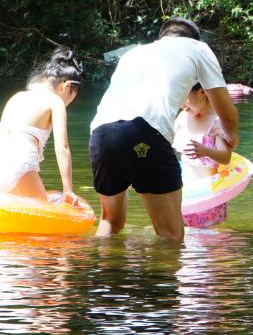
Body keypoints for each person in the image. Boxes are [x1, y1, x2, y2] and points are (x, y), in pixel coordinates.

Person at [89, 18, 239, 241]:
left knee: (110, 223)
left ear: (162, 37)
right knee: (171, 233)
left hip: (100, 133)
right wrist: (232, 138)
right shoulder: (198, 48)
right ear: (191, 39)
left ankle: (105, 274)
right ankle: (162, 277)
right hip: (144, 130)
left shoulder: (133, 53)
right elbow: (227, 114)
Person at [0, 47, 84, 204]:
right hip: (18, 161)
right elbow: (62, 148)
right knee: (43, 217)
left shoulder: (17, 97)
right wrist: (68, 190)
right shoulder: (55, 102)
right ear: (67, 86)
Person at [173, 83, 233, 228]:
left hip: (208, 197)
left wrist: (206, 151)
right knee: (184, 241)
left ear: (201, 92)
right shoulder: (182, 118)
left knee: (206, 244)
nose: (182, 103)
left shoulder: (216, 121)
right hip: (185, 194)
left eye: (185, 96)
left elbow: (226, 158)